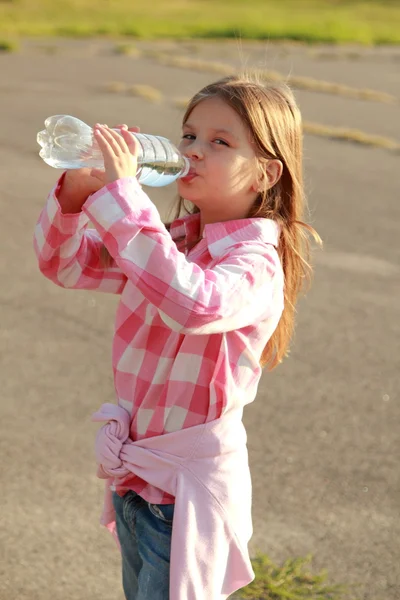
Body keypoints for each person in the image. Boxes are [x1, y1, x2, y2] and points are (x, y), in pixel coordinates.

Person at [33, 74, 321, 600]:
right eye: (189, 135)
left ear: (266, 172)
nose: (192, 151)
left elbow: (193, 303)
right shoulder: (171, 244)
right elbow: (65, 265)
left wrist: (125, 199)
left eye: (220, 141)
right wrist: (81, 189)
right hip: (137, 485)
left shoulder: (255, 263)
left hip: (186, 495)